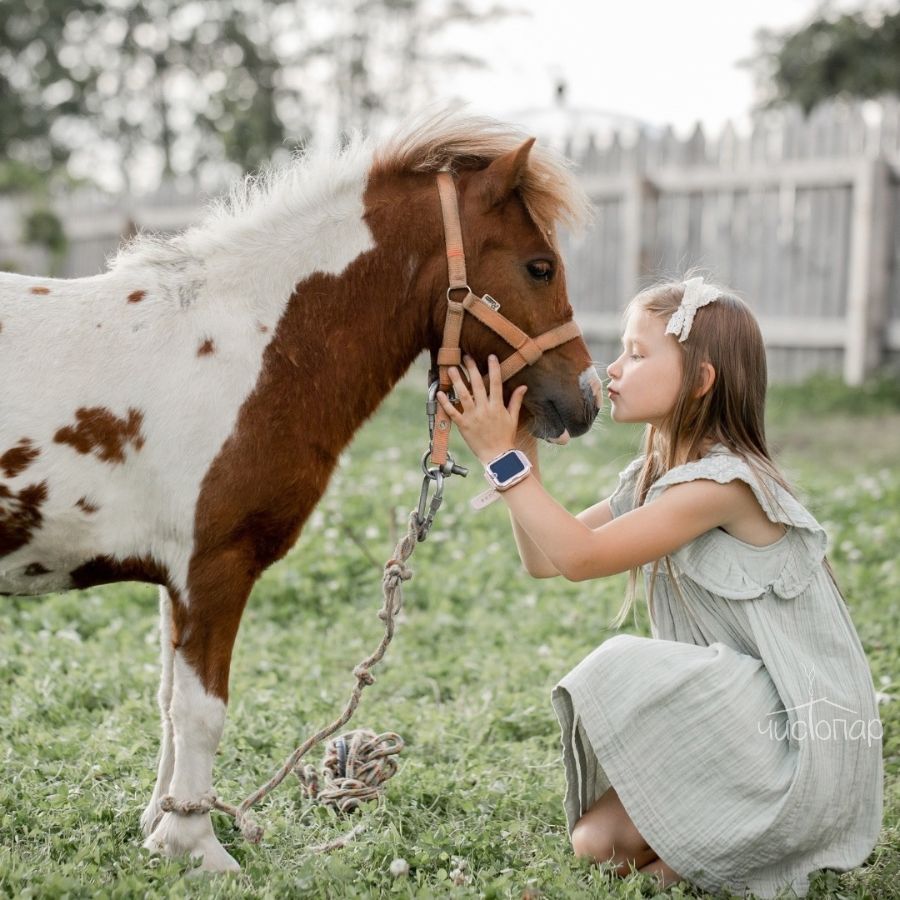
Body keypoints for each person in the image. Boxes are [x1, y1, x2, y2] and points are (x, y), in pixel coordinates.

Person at [435, 276, 883, 898]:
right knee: (597, 845)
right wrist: (520, 445)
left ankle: (772, 836)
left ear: (700, 381)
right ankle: (731, 849)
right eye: (621, 349)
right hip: (739, 720)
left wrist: (500, 464)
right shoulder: (655, 475)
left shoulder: (720, 485)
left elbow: (581, 558)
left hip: (797, 737)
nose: (613, 369)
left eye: (638, 354)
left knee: (619, 673)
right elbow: (544, 559)